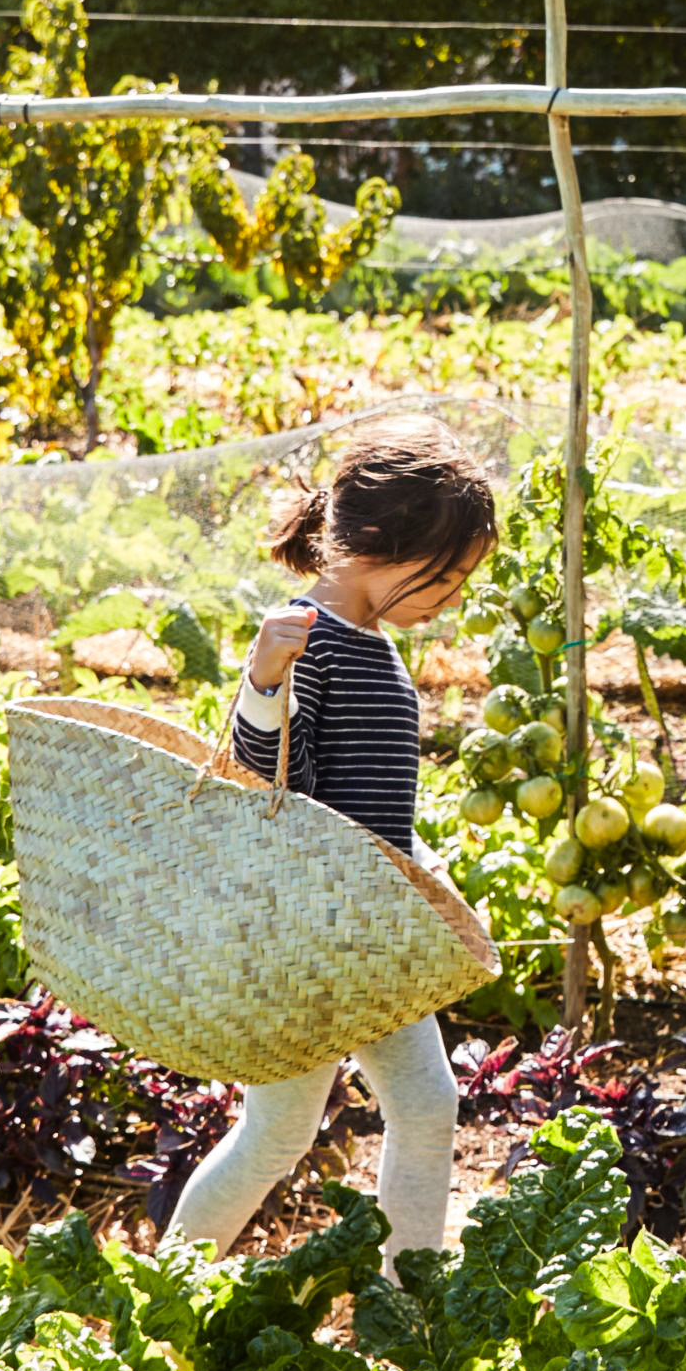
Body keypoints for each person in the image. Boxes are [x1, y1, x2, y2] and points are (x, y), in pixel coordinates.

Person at [166, 423, 499, 1259]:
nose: (451, 598)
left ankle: (412, 1303)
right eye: (445, 576)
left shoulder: (377, 648)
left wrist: (423, 873)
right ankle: (163, 1288)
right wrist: (261, 682)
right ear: (381, 544)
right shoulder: (302, 637)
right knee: (275, 1136)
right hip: (303, 942)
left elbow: (369, 803)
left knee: (428, 1106)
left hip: (371, 934)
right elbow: (266, 785)